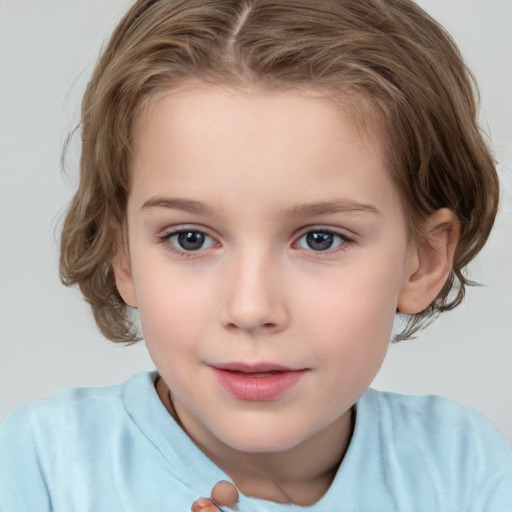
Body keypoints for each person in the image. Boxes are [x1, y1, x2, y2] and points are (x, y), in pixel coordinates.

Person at [1, 0, 511, 510]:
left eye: (320, 239)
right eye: (190, 239)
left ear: (421, 260)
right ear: (124, 255)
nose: (251, 309)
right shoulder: (39, 470)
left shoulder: (466, 471)